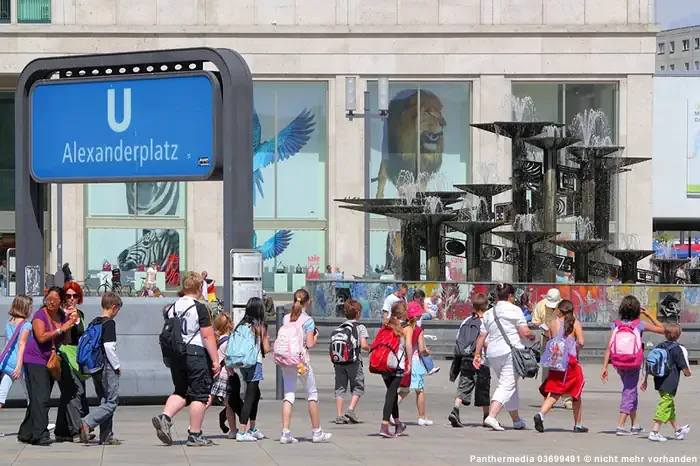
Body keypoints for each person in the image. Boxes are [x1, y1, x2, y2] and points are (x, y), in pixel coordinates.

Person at [152, 272, 220, 447]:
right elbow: (207, 336)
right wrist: (215, 360)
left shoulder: (171, 307)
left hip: (177, 355)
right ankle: (195, 434)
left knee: (181, 391)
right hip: (196, 354)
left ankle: (164, 417)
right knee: (200, 394)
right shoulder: (200, 308)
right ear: (199, 288)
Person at [18, 286, 79, 446]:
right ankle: (40, 434)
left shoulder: (61, 315)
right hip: (34, 359)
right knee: (41, 397)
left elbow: (65, 340)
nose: (50, 302)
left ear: (61, 301)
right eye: (48, 299)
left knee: (38, 397)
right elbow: (41, 337)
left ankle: (26, 432)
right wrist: (61, 329)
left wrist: (72, 322)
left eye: (54, 299)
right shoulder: (40, 315)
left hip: (50, 360)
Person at [601, 295, 665, 436]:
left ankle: (635, 424)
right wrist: (649, 314)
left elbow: (609, 347)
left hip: (618, 362)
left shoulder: (616, 325)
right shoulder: (640, 324)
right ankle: (621, 425)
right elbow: (662, 330)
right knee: (629, 391)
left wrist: (605, 366)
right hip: (633, 363)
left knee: (630, 390)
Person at [473, 283, 534, 431]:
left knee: (509, 384)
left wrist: (477, 354)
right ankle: (492, 416)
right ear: (510, 296)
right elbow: (524, 332)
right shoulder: (515, 310)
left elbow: (482, 335)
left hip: (493, 353)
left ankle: (516, 420)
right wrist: (532, 336)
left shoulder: (489, 313)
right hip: (510, 352)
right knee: (507, 385)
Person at [279, 289, 332, 444]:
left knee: (289, 394)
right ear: (308, 302)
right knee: (312, 394)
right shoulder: (308, 320)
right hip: (301, 361)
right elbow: (309, 344)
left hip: (286, 359)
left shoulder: (286, 318)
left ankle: (285, 432)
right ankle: (317, 431)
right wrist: (315, 337)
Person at [534, 300, 587, 433]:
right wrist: (575, 348)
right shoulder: (575, 324)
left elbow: (552, 340)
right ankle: (578, 424)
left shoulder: (552, 323)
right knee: (576, 392)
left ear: (559, 310)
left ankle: (540, 414)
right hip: (571, 362)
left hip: (556, 362)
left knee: (555, 392)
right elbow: (581, 342)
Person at [78, 292, 123, 445]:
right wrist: (117, 366)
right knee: (111, 402)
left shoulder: (94, 322)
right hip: (107, 366)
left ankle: (106, 436)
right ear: (114, 307)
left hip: (95, 367)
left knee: (104, 400)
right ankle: (87, 422)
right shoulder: (109, 323)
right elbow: (109, 347)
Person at [641, 323, 692, 442]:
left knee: (669, 405)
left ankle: (678, 431)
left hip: (659, 380)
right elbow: (683, 366)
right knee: (664, 405)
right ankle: (655, 431)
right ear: (679, 335)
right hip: (670, 382)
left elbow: (650, 362)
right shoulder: (677, 349)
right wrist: (687, 373)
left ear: (665, 334)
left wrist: (644, 380)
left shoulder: (660, 346)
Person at [54, 282, 90, 443]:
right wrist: (68, 321)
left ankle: (62, 431)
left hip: (78, 357)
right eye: (68, 296)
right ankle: (77, 430)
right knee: (74, 392)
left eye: (75, 296)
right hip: (64, 356)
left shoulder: (80, 314)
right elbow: (63, 337)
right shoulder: (60, 314)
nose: (72, 299)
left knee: (70, 394)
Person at [448, 293, 490, 428]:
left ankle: (455, 408)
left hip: (465, 357)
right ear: (486, 306)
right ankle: (486, 416)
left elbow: (458, 338)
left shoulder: (466, 321)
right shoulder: (486, 322)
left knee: (464, 384)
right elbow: (485, 342)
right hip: (480, 359)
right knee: (483, 386)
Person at [234, 297, 269, 442]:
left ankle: (252, 428)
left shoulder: (241, 325)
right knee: (250, 396)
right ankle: (242, 431)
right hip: (255, 363)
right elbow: (266, 348)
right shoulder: (260, 326)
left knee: (255, 394)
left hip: (243, 364)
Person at [378, 301, 413, 438]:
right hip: (397, 364)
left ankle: (398, 424)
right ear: (404, 313)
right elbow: (408, 346)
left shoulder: (387, 324)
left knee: (391, 393)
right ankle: (384, 425)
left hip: (384, 362)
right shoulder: (407, 327)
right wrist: (409, 363)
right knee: (391, 395)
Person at [0, 295, 33, 435]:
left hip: (6, 362)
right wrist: (19, 366)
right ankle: (34, 423)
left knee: (1, 395)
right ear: (25, 308)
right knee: (31, 395)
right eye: (30, 307)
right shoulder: (26, 325)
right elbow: (22, 344)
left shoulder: (10, 322)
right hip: (19, 363)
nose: (31, 309)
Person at [333, 299, 370, 424]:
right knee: (358, 386)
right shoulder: (360, 327)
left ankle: (339, 415)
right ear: (358, 313)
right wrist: (371, 349)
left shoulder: (340, 327)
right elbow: (364, 345)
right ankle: (350, 409)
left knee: (340, 387)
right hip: (353, 361)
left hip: (339, 362)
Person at [397, 301, 434, 426]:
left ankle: (391, 412)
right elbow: (421, 349)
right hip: (415, 362)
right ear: (417, 317)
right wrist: (427, 352)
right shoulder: (418, 330)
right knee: (420, 390)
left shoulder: (402, 328)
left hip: (403, 361)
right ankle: (421, 417)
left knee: (404, 390)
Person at [531, 288, 568, 407]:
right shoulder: (540, 306)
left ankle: (567, 399)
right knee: (547, 368)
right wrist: (542, 326)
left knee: (563, 368)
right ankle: (547, 397)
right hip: (546, 339)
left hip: (561, 339)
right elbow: (535, 321)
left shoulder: (564, 306)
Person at [207, 312, 240, 438]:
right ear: (230, 324)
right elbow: (228, 361)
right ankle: (232, 430)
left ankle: (193, 422)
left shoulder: (217, 339)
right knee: (229, 404)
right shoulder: (229, 342)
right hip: (225, 375)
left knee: (209, 399)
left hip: (216, 374)